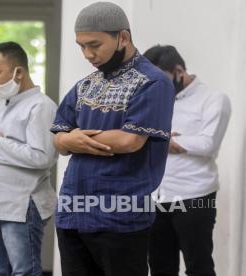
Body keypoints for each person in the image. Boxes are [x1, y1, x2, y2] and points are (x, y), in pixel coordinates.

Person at [50, 2, 175, 276]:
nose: (87, 54)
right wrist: (66, 140)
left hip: (120, 215)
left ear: (123, 37)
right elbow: (58, 137)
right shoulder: (86, 85)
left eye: (94, 44)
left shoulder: (152, 82)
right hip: (72, 212)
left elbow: (131, 141)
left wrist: (76, 139)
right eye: (81, 46)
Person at [144, 45, 231, 276]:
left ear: (179, 71)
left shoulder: (214, 99)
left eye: (160, 79)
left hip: (195, 195)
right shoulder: (155, 99)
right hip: (156, 195)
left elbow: (208, 143)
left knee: (198, 266)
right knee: (160, 267)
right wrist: (168, 141)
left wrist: (160, 141)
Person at [0, 41, 58, 275]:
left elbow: (42, 157)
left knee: (24, 271)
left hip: (22, 204)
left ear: (18, 72)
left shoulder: (41, 107)